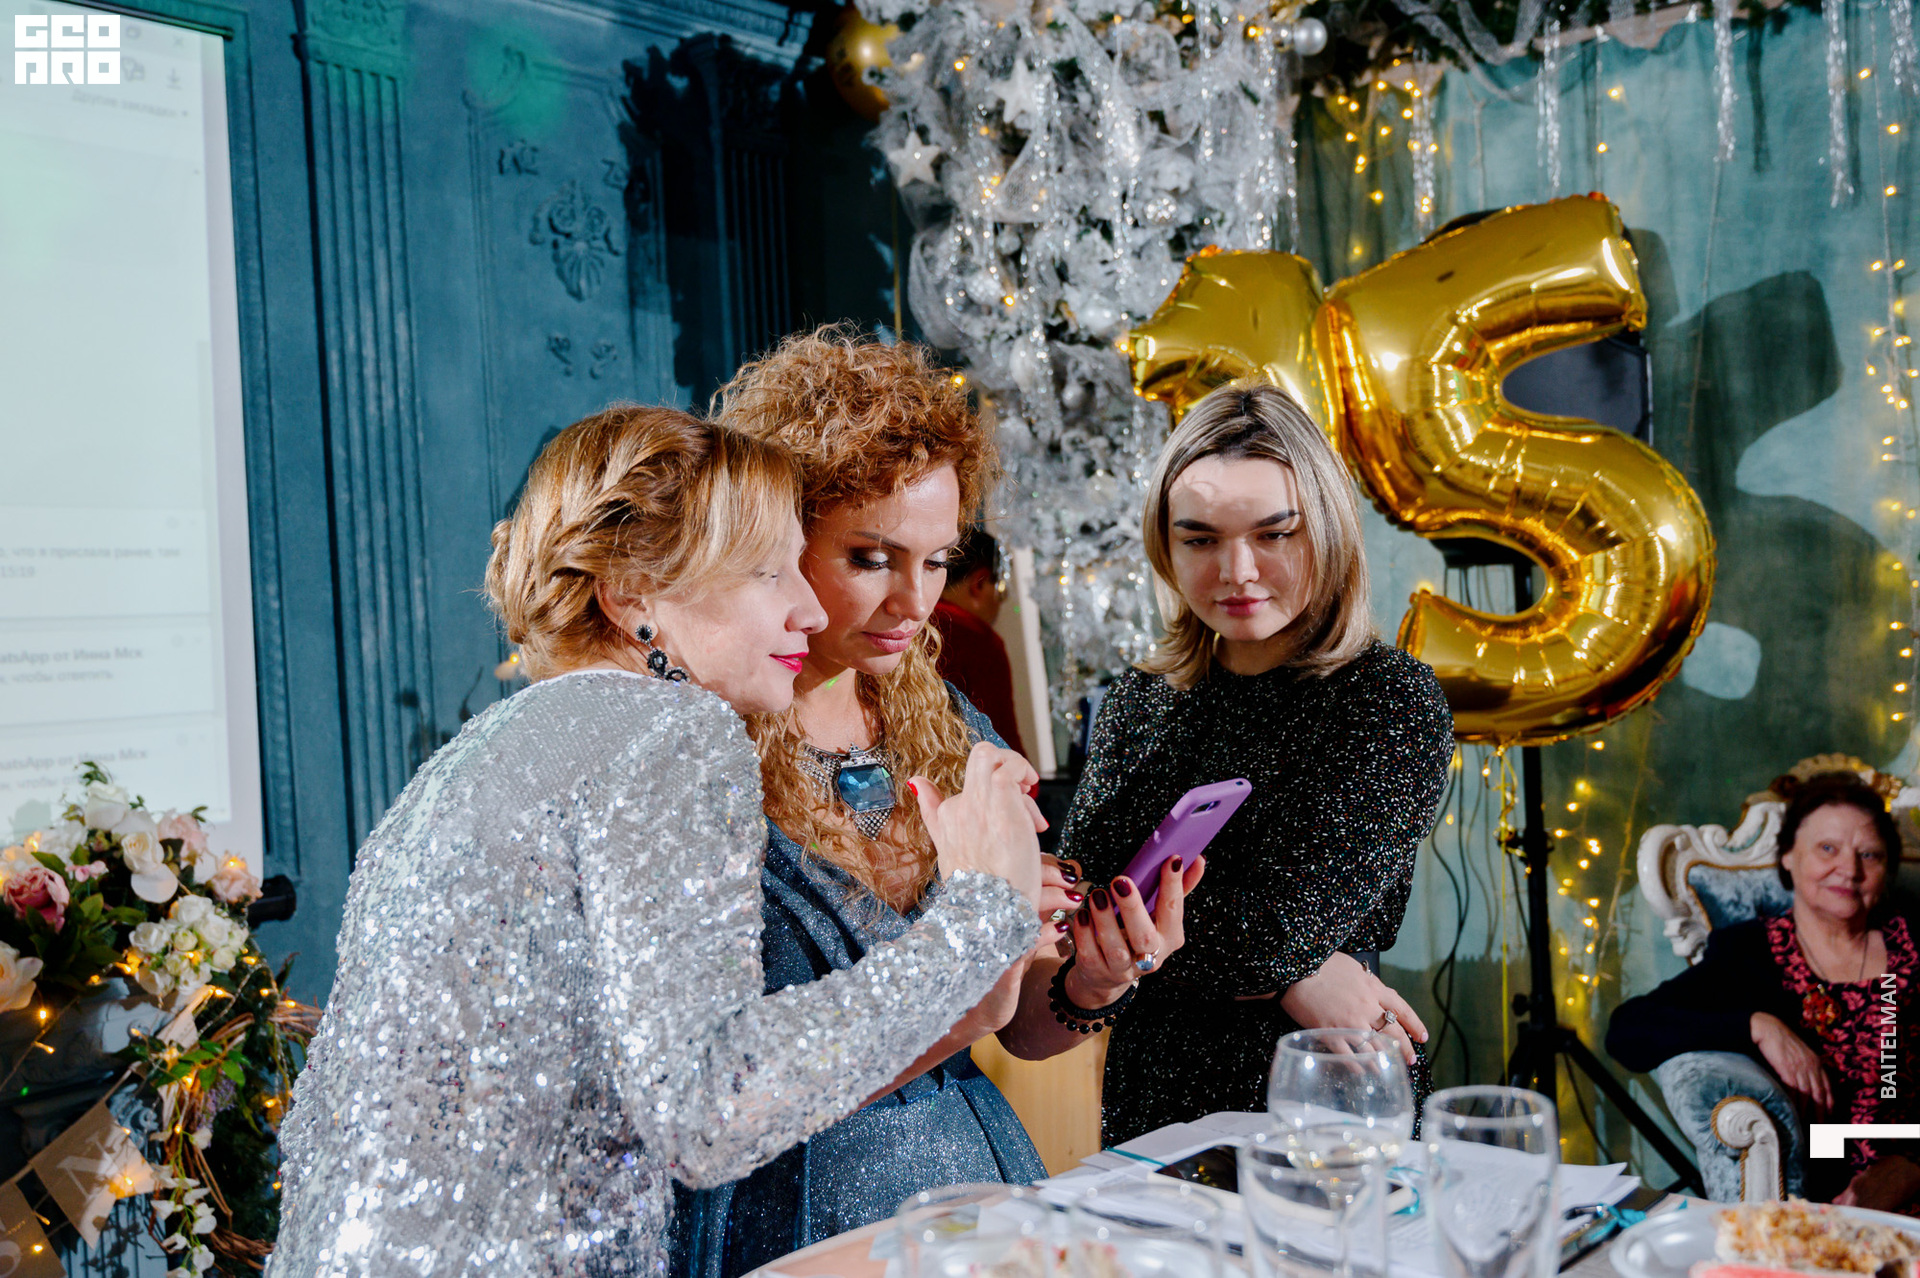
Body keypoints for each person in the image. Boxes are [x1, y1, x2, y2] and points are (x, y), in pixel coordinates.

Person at [270, 406, 1043, 1277]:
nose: (804, 609)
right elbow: (710, 1109)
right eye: (766, 573)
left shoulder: (485, 749)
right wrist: (984, 912)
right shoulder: (672, 733)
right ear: (632, 594)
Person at [671, 329, 1198, 1276]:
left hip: (975, 1191)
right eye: (871, 557)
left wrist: (1087, 983)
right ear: (775, 537)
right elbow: (716, 1096)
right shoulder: (692, 751)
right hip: (792, 1217)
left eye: (939, 559)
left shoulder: (944, 720)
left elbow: (1018, 1027)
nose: (914, 602)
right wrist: (975, 951)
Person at [1050, 382, 1454, 1146]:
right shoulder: (1142, 697)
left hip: (1323, 1092)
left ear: (1327, 532)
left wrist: (1281, 962)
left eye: (1275, 535)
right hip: (1153, 1094)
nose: (1237, 571)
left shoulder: (1385, 697)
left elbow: (1267, 935)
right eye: (1201, 540)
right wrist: (1309, 974)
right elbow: (1080, 903)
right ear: (1165, 546)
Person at [1607, 771, 1920, 1209]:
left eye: (1869, 854)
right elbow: (1627, 1031)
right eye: (1827, 849)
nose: (1849, 870)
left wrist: (1910, 1168)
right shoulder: (1751, 952)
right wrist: (1755, 1025)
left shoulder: (1914, 941)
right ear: (1788, 855)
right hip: (1825, 1200)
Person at [933, 527, 1028, 758]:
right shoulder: (977, 639)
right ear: (980, 582)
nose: (1000, 603)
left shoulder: (907, 627)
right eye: (1001, 591)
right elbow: (1002, 744)